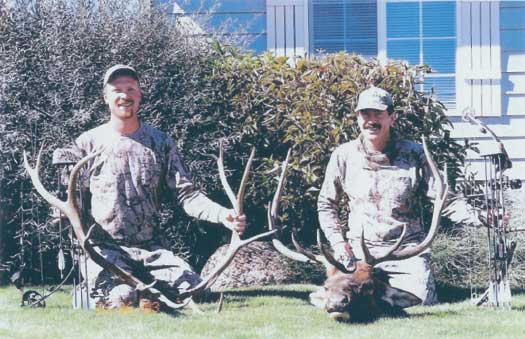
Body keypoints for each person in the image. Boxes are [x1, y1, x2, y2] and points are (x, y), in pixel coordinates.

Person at [54, 64, 246, 310]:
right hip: (105, 251)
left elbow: (186, 194)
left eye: (131, 89)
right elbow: (71, 205)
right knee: (122, 298)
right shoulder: (88, 143)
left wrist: (223, 215)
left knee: (194, 289)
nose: (125, 95)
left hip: (152, 250)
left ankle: (147, 290)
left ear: (140, 95)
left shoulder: (160, 142)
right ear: (106, 97)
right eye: (117, 90)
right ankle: (97, 292)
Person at [317, 86, 437, 305]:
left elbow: (443, 200)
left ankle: (376, 297)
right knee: (340, 295)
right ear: (357, 118)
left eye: (378, 114)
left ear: (392, 117)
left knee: (420, 300)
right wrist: (337, 242)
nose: (371, 120)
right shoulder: (344, 155)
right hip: (358, 255)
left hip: (405, 252)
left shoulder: (414, 153)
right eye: (365, 114)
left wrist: (483, 216)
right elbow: (326, 204)